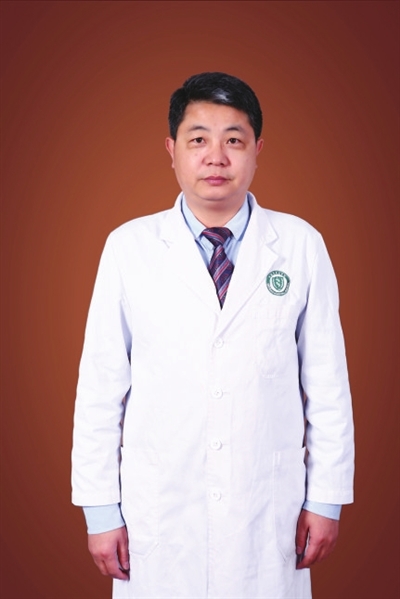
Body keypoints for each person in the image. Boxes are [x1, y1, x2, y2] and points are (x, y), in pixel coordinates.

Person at [71, 72, 354, 599]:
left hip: (267, 512)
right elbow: (100, 389)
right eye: (198, 139)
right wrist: (100, 510)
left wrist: (326, 499)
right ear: (172, 150)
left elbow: (328, 386)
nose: (216, 157)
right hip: (160, 516)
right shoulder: (129, 248)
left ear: (257, 150)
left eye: (234, 140)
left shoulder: (300, 246)